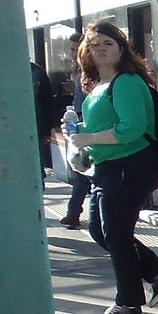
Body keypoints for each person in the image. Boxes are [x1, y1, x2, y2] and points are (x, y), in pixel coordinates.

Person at [66, 21, 158, 314]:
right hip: (108, 166)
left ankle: (128, 300)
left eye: (107, 43)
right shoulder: (97, 86)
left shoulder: (127, 82)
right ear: (85, 51)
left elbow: (132, 128)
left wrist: (89, 138)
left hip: (132, 164)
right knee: (100, 230)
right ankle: (156, 271)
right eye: (94, 44)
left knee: (115, 233)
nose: (100, 49)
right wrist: (81, 137)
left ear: (121, 48)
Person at [59, 32, 92, 228]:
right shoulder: (80, 73)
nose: (72, 54)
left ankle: (73, 212)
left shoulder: (86, 75)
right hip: (81, 129)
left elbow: (81, 107)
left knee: (82, 172)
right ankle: (73, 212)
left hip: (86, 131)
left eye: (75, 49)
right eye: (71, 50)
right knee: (82, 171)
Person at [31, 60, 59, 175]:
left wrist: (47, 130)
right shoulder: (36, 71)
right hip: (36, 128)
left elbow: (47, 102)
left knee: (35, 166)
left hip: (37, 127)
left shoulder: (36, 71)